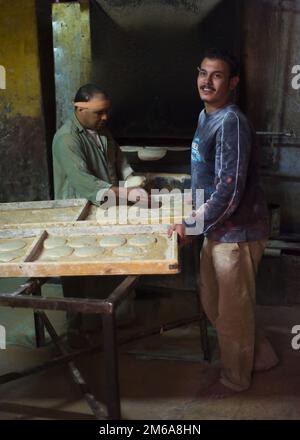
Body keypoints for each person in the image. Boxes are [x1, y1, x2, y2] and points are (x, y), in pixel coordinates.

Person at [169, 48, 278, 396]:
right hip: (216, 228)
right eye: (203, 72)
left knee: (231, 311)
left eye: (217, 75)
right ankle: (260, 356)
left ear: (232, 83)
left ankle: (237, 377)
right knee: (216, 301)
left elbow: (229, 193)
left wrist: (191, 225)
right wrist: (192, 215)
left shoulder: (231, 122)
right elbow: (206, 177)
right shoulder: (206, 117)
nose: (207, 81)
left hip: (238, 233)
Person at [52, 84, 146, 343]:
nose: (105, 117)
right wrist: (127, 194)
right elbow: (86, 185)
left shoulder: (101, 130)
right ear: (79, 109)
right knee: (80, 271)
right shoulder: (67, 139)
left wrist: (131, 178)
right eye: (99, 113)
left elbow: (118, 159)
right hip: (78, 212)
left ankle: (110, 321)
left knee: (110, 265)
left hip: (106, 208)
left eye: (106, 112)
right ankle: (77, 328)